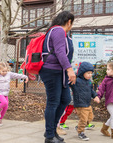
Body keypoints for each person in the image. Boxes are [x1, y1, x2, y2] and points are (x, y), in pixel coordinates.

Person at [39, 11, 76, 143]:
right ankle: (49, 136)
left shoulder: (63, 34)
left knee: (65, 99)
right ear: (69, 21)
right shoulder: (58, 30)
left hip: (60, 72)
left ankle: (52, 130)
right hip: (52, 71)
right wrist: (70, 69)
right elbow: (60, 52)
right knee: (53, 102)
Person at [69, 62, 100, 141]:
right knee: (83, 119)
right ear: (82, 73)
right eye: (88, 73)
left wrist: (95, 96)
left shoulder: (89, 82)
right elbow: (69, 83)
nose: (90, 75)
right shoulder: (76, 81)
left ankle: (79, 126)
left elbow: (91, 90)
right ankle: (81, 132)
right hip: (80, 104)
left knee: (90, 118)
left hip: (87, 103)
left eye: (91, 73)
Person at [0, 62, 29, 126]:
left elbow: (17, 75)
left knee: (5, 107)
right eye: (3, 71)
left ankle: (0, 119)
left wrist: (25, 77)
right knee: (4, 102)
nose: (5, 72)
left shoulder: (9, 74)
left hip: (5, 93)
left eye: (6, 71)